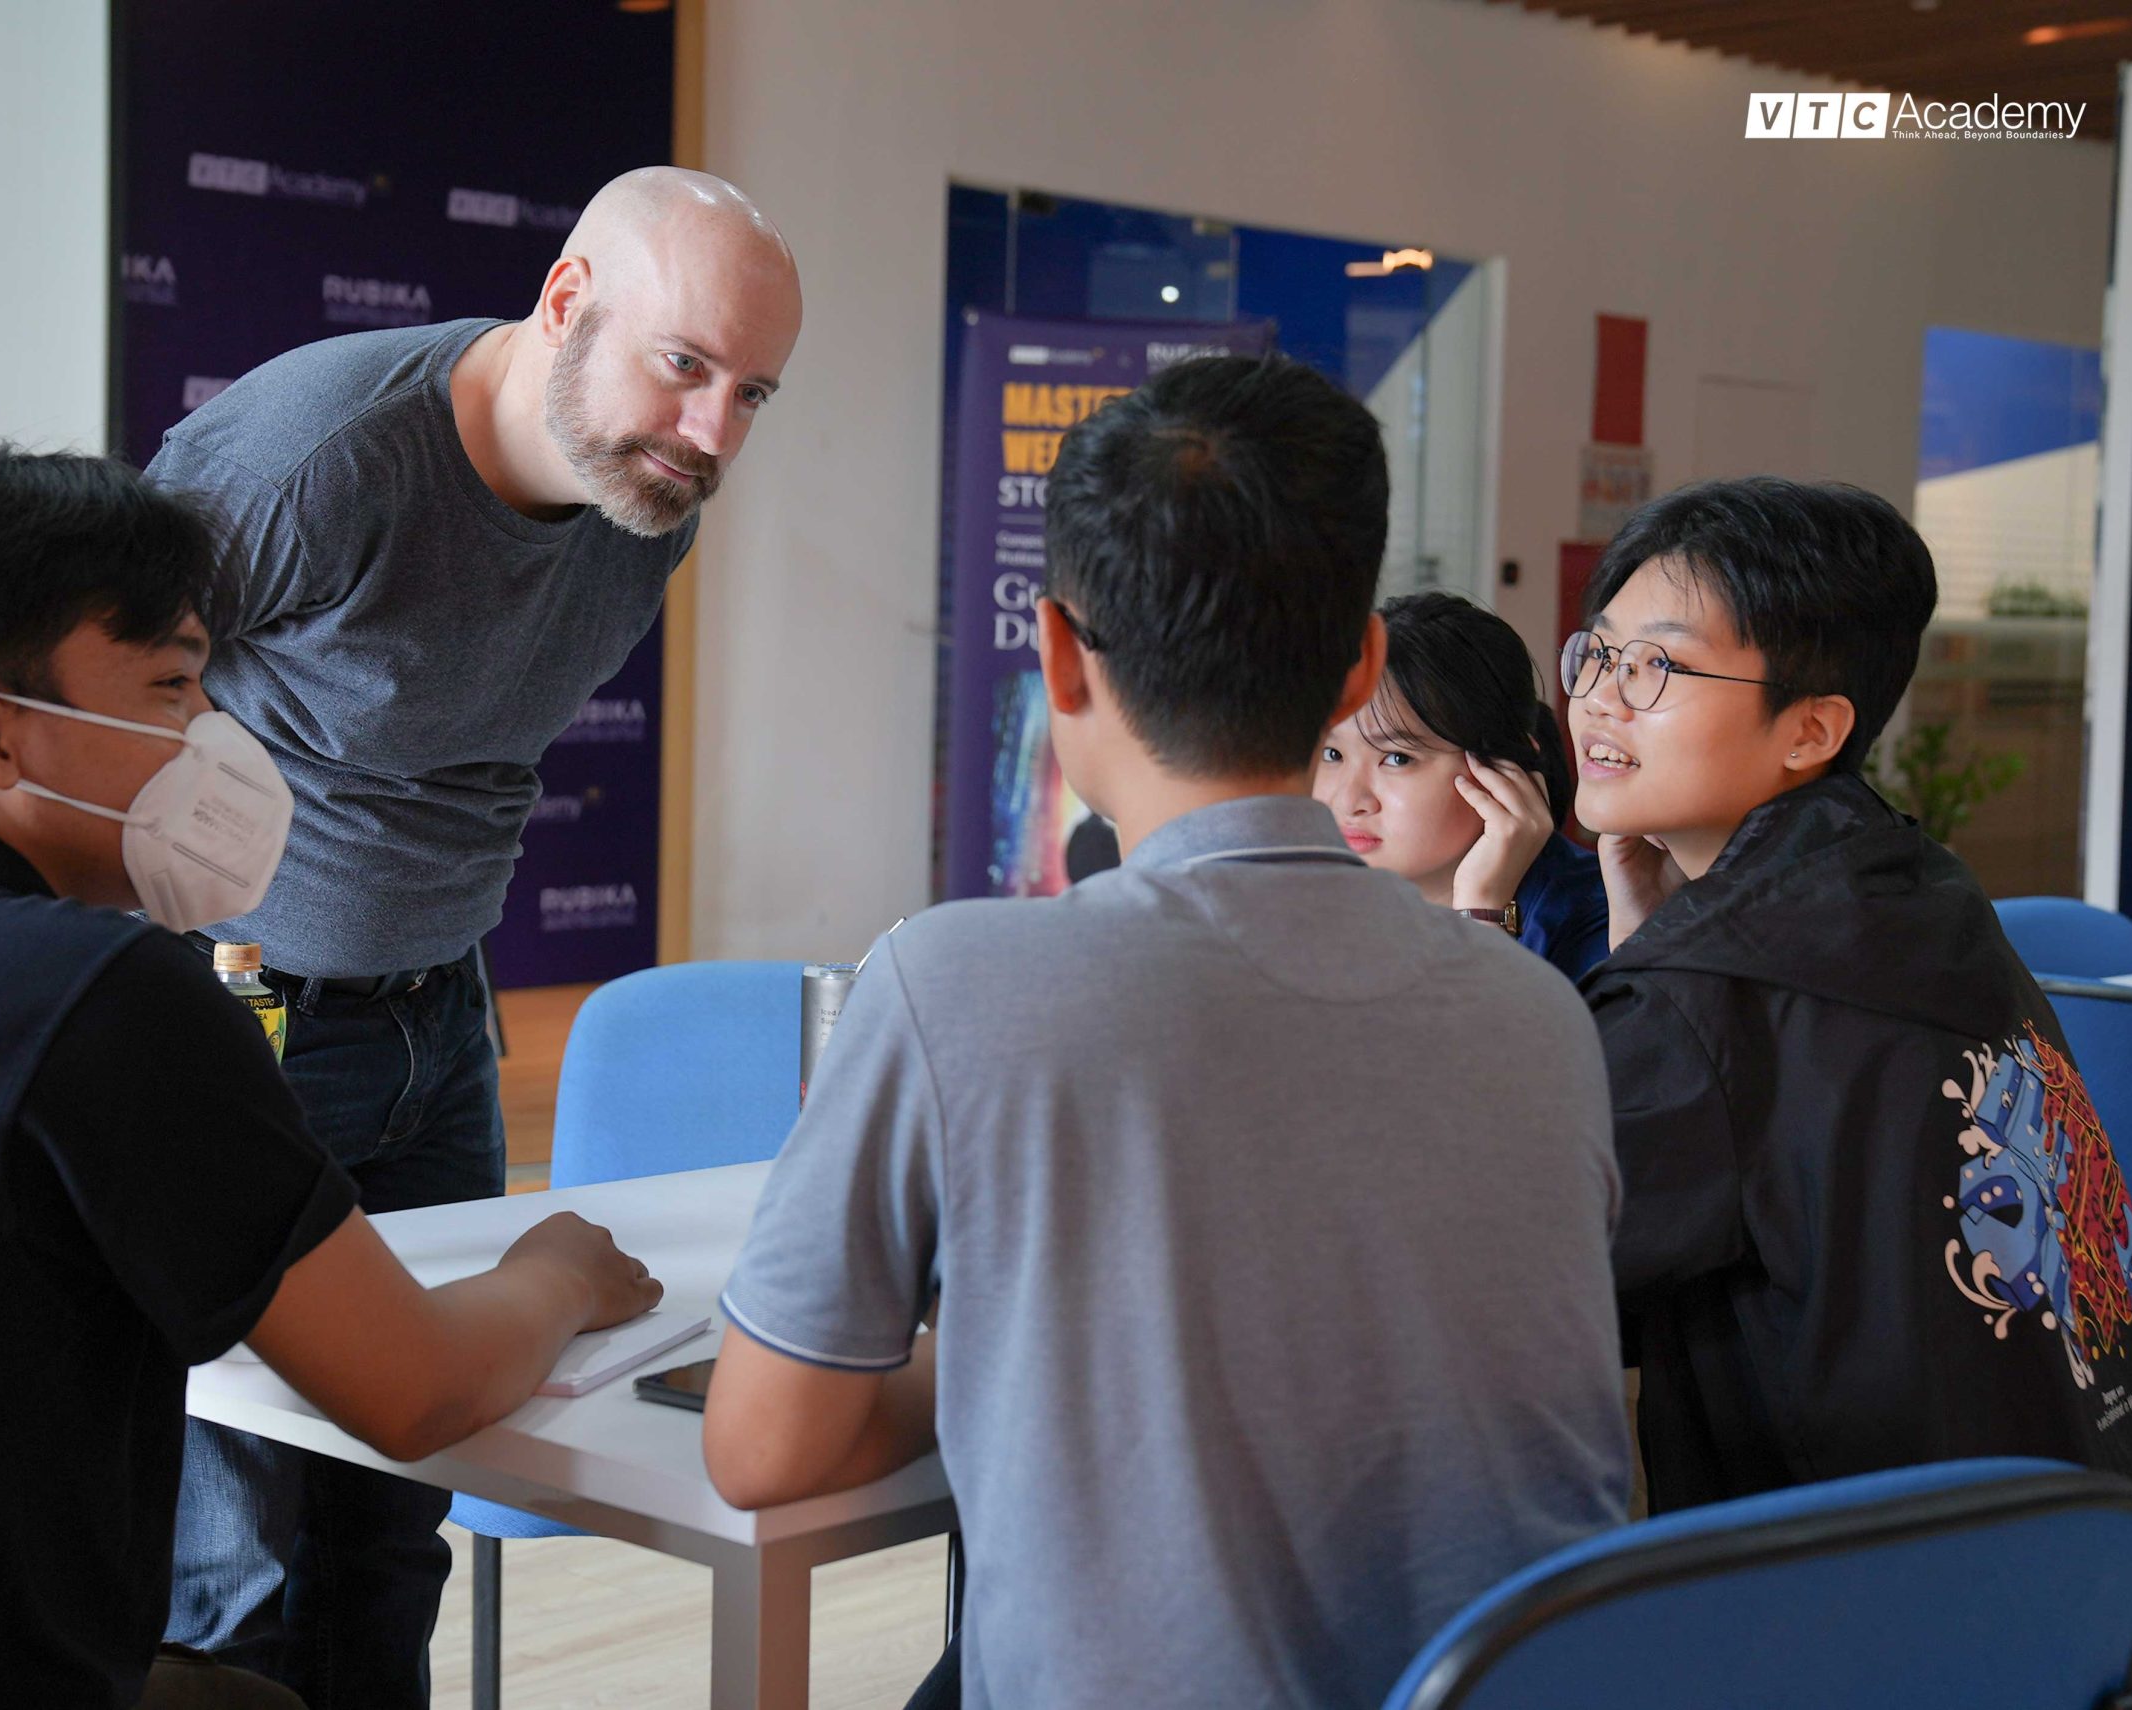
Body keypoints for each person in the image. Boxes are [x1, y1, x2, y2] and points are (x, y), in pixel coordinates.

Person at [0, 430, 662, 1710]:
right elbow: (417, 1392)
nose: (210, 736)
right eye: (171, 689)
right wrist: (555, 1271)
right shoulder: (96, 990)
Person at [698, 355, 1633, 1708]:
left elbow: (764, 1448)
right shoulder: (1540, 1014)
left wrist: (1015, 1347)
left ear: (1060, 654)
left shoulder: (950, 980)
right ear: (1360, 660)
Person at [146, 168, 800, 1704]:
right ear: (566, 301)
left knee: (399, 1520)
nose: (713, 434)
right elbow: (96, 700)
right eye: (685, 366)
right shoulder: (308, 463)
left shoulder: (645, 502)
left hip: (442, 1017)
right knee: (233, 1552)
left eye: (753, 391)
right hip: (241, 1016)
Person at [1571, 475, 2132, 1705]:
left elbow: (1502, 1294)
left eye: (1654, 668)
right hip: (2121, 1597)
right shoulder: (1915, 890)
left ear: (1810, 729)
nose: (1598, 700)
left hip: (1884, 1632)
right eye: (1592, 653)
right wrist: (1651, 955)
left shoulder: (1708, 1004)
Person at [1315, 590, 1609, 979]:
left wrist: (1481, 913)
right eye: (1332, 754)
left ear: (1506, 765)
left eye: (1398, 759)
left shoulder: (1599, 922)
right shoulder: (1309, 897)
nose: (1349, 800)